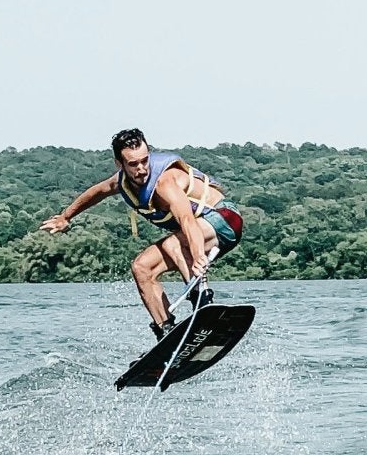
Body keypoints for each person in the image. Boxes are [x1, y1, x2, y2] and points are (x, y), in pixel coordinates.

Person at [41, 130, 244, 332]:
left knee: (172, 244)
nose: (141, 169)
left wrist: (198, 255)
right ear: (119, 164)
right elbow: (97, 192)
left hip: (225, 220)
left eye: (145, 161)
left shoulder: (164, 182)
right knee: (142, 267)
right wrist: (66, 217)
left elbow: (187, 220)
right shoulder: (120, 182)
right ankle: (165, 330)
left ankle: (202, 301)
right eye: (133, 164)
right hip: (195, 235)